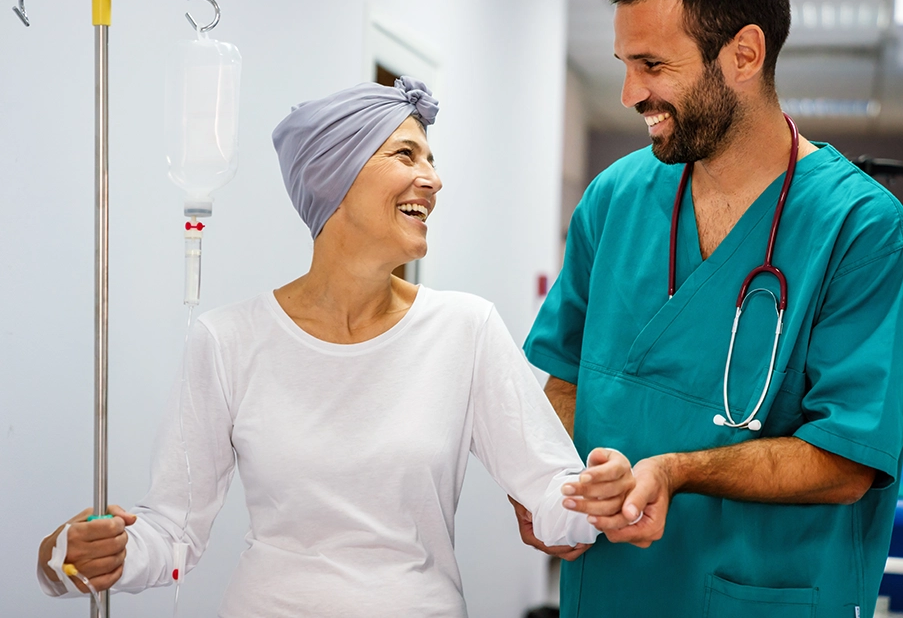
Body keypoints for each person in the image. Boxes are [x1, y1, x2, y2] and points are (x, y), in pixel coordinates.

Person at [36, 77, 636, 617]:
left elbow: (553, 497)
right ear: (334, 175)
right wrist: (81, 555)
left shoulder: (465, 329)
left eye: (431, 158)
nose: (433, 178)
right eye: (407, 153)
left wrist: (599, 498)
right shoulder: (227, 340)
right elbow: (172, 538)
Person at [515, 0, 903, 616]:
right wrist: (550, 486)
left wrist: (676, 469)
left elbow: (846, 459)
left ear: (743, 55)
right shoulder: (614, 198)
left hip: (762, 596)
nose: (630, 93)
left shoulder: (860, 227)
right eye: (624, 65)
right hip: (608, 591)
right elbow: (563, 376)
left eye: (652, 65)